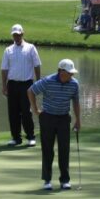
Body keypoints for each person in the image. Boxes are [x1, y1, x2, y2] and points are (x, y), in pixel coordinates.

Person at [28, 59, 82, 191]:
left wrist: (78, 119)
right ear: (61, 71)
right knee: (47, 150)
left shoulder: (74, 84)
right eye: (69, 73)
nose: (71, 75)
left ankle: (65, 180)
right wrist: (35, 109)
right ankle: (47, 180)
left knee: (64, 150)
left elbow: (76, 102)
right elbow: (31, 91)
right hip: (48, 117)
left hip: (64, 118)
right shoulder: (48, 81)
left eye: (72, 73)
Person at [1, 24, 41, 147]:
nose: (17, 37)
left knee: (26, 112)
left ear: (22, 34)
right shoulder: (8, 50)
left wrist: (38, 82)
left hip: (27, 85)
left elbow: (37, 65)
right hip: (12, 84)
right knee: (13, 112)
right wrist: (4, 85)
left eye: (18, 35)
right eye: (14, 35)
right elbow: (4, 69)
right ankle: (16, 138)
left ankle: (30, 136)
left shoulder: (30, 48)